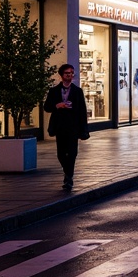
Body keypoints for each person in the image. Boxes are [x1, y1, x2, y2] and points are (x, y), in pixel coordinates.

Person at [43, 63, 89, 191]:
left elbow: (82, 111)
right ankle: (67, 172)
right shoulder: (54, 91)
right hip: (60, 126)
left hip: (73, 126)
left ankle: (68, 178)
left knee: (72, 153)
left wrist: (84, 129)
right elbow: (46, 107)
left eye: (71, 73)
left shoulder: (77, 91)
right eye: (67, 73)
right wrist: (57, 106)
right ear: (62, 75)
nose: (70, 75)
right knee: (61, 154)